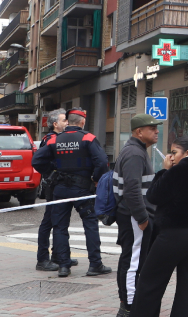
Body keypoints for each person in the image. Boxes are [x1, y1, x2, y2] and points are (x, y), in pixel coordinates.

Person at [129, 136, 188, 317]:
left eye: (174, 153)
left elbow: (154, 195)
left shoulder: (179, 170)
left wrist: (164, 171)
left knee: (150, 283)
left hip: (175, 234)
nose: (171, 157)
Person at [31, 108, 111, 278]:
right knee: (90, 224)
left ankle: (64, 266)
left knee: (60, 227)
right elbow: (103, 162)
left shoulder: (55, 140)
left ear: (68, 122)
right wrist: (95, 179)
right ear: (82, 122)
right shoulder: (88, 138)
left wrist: (53, 172)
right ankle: (95, 264)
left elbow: (36, 161)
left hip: (60, 189)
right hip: (83, 189)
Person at [115, 114, 162, 317]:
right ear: (139, 132)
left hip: (132, 215)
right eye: (151, 128)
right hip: (134, 217)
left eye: (156, 128)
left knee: (132, 259)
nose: (156, 131)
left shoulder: (135, 150)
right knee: (132, 262)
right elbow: (132, 189)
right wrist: (143, 218)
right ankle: (129, 306)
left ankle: (128, 303)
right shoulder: (135, 154)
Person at [35, 110, 71, 272]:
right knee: (49, 220)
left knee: (60, 221)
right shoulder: (50, 139)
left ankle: (59, 255)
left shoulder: (59, 139)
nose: (67, 123)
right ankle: (42, 259)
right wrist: (51, 174)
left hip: (58, 184)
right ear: (55, 124)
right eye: (64, 120)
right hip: (52, 185)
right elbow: (39, 161)